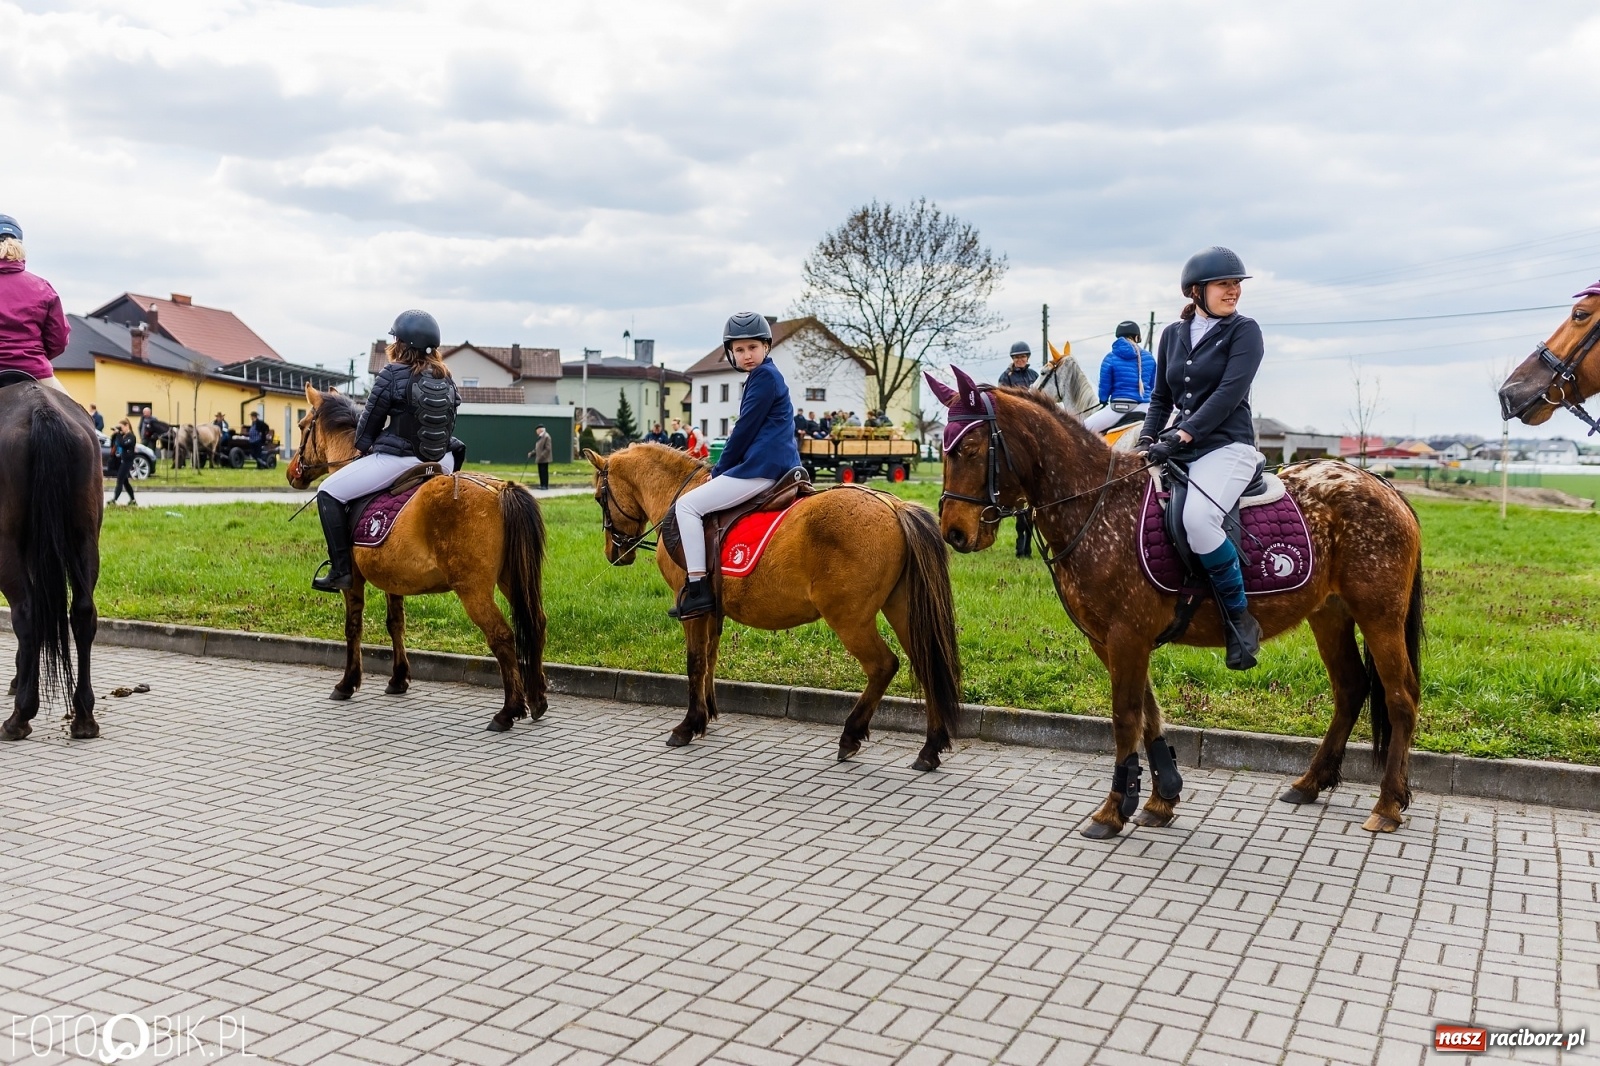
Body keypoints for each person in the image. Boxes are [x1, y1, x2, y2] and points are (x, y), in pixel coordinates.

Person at [1138, 246, 1266, 671]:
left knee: (1198, 519)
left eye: (1237, 285)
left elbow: (1229, 395)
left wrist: (1180, 435)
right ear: (1197, 291)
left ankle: (1238, 620)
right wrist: (1146, 439)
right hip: (1180, 443)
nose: (1234, 291)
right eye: (1225, 284)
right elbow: (1160, 396)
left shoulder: (1245, 332)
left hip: (1227, 445)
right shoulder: (1172, 334)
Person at [311, 310, 460, 593]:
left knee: (327, 491)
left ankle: (341, 571)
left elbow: (366, 429)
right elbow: (450, 421)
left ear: (401, 344)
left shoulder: (392, 374)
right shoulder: (447, 377)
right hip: (444, 461)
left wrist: (366, 448)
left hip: (398, 462)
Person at [669, 312, 801, 620]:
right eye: (739, 350)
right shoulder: (763, 376)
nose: (746, 355)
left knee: (686, 507)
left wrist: (719, 468)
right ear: (731, 353)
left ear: (766, 346)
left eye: (752, 347)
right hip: (774, 462)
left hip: (764, 467)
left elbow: (744, 429)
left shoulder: (765, 377)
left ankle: (698, 587)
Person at [0, 215, 72, 394]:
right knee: (80, 415)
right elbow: (59, 339)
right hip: (34, 370)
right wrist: (32, 356)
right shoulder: (42, 286)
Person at [997, 340, 1039, 557]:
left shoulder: (1035, 377)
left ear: (1027, 358)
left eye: (1023, 357)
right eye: (1016, 357)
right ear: (1013, 359)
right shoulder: (1006, 378)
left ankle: (1028, 544)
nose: (1020, 360)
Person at [1084, 322, 1157, 433]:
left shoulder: (1110, 357)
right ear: (1137, 337)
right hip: (1145, 407)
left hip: (1118, 408)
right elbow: (1154, 386)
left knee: (1081, 431)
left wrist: (1103, 400)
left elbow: (1105, 385)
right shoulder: (1149, 357)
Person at [109, 419, 137, 505]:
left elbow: (123, 444)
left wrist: (118, 434)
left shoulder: (131, 437)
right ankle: (133, 500)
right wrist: (114, 435)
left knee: (120, 479)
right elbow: (113, 444)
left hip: (127, 462)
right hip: (121, 461)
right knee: (125, 482)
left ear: (127, 426)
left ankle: (114, 500)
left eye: (121, 427)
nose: (120, 430)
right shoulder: (122, 436)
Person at [533, 425, 553, 490]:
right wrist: (532, 453)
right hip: (540, 459)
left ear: (540, 430)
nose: (536, 432)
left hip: (544, 459)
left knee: (544, 472)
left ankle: (545, 485)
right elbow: (538, 448)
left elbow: (548, 448)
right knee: (541, 472)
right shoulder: (540, 437)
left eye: (537, 430)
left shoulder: (546, 436)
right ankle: (542, 485)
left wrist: (541, 456)